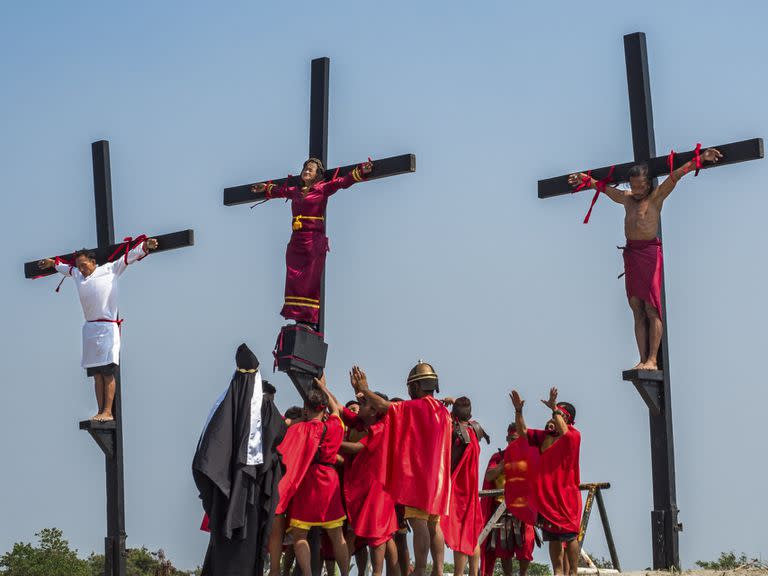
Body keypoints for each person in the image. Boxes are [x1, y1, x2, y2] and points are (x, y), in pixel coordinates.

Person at [568, 147, 722, 369]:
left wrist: (700, 159)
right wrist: (585, 179)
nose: (637, 190)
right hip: (632, 254)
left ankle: (652, 359)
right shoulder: (627, 199)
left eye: (641, 186)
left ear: (648, 183)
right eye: (633, 186)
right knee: (636, 307)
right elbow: (602, 188)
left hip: (649, 253)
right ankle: (642, 359)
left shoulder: (656, 197)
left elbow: (676, 175)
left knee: (651, 307)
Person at [38, 237, 158, 421]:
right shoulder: (77, 274)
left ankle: (108, 411)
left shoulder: (109, 269)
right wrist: (51, 263)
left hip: (108, 327)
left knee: (108, 371)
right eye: (79, 265)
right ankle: (99, 409)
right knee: (96, 374)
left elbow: (128, 257)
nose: (81, 268)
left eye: (84, 264)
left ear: (93, 262)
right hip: (90, 330)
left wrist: (145, 246)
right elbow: (64, 267)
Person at [193, 343, 287, 576]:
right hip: (250, 492)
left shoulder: (225, 405)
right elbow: (277, 439)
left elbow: (206, 456)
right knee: (245, 551)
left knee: (223, 548)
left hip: (224, 492)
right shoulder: (265, 408)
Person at [351, 363, 452, 576]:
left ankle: (421, 569)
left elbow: (385, 407)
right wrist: (362, 394)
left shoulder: (419, 406)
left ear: (416, 387)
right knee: (434, 523)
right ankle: (438, 571)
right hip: (439, 479)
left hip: (421, 479)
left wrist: (364, 388)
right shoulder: (442, 411)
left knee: (419, 522)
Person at [252, 158, 373, 328]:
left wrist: (361, 171)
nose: (307, 172)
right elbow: (280, 191)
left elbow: (342, 182)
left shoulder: (322, 189)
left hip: (312, 240)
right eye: (305, 169)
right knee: (293, 280)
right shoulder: (295, 191)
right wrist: (265, 188)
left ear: (317, 174)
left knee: (309, 281)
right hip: (296, 241)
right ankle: (297, 319)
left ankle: (309, 320)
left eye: (311, 170)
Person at [276, 374, 349, 576]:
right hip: (329, 481)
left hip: (308, 483)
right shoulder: (335, 426)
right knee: (337, 537)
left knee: (300, 536)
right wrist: (324, 387)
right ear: (323, 409)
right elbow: (336, 410)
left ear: (306, 409)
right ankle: (344, 574)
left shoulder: (301, 429)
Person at [509, 389, 581, 576]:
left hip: (566, 498)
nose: (553, 418)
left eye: (559, 415)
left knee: (570, 535)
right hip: (547, 499)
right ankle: (558, 573)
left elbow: (565, 434)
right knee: (554, 538)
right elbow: (522, 432)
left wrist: (553, 408)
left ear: (568, 420)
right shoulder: (545, 436)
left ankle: (573, 572)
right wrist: (518, 411)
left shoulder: (573, 436)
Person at [338, 388, 399, 576]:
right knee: (386, 537)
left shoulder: (381, 428)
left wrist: (330, 439)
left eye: (364, 404)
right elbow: (340, 409)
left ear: (374, 410)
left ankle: (377, 574)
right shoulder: (365, 424)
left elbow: (357, 448)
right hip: (373, 487)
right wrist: (323, 388)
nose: (359, 407)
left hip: (379, 489)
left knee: (379, 536)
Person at [481, 425, 536, 576]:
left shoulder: (530, 457)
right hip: (502, 510)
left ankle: (523, 574)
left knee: (525, 548)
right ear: (507, 439)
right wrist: (503, 464)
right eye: (512, 440)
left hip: (524, 510)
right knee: (504, 551)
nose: (514, 443)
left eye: (518, 440)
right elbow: (489, 476)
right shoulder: (498, 457)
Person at [443, 397, 485, 576]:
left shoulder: (453, 431)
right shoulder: (474, 429)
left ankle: (459, 574)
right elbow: (463, 408)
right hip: (471, 490)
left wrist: (448, 410)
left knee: (459, 534)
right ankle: (474, 573)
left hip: (458, 491)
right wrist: (455, 403)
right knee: (471, 534)